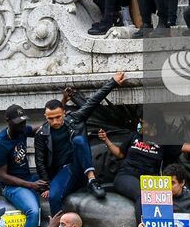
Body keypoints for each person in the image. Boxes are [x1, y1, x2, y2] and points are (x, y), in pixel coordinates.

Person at [34, 72, 125, 207]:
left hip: (78, 167)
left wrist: (113, 82)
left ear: (64, 113)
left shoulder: (75, 119)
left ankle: (92, 180)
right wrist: (46, 185)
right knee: (53, 197)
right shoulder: (42, 133)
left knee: (79, 140)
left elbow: (93, 101)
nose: (55, 121)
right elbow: (40, 161)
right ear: (45, 117)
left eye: (58, 117)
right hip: (61, 172)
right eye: (50, 118)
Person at [98, 117, 190, 205]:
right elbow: (119, 154)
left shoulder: (164, 141)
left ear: (152, 124)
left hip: (150, 181)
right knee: (144, 196)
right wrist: (106, 140)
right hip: (127, 176)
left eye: (142, 122)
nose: (140, 125)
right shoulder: (134, 136)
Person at [0, 104, 49, 227]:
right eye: (19, 123)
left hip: (29, 178)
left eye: (24, 122)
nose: (22, 126)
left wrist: (62, 103)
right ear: (8, 121)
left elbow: (43, 127)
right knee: (33, 212)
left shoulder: (22, 130)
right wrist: (31, 185)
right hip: (12, 187)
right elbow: (2, 176)